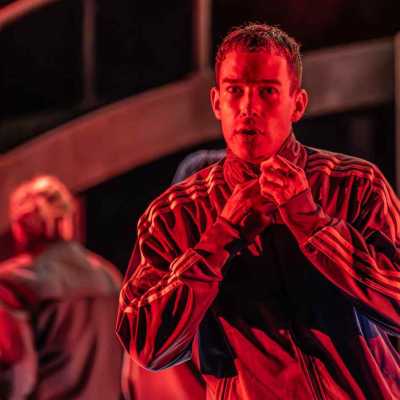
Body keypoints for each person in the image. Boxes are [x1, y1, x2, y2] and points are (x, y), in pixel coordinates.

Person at [116, 23, 400, 399]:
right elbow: (144, 344)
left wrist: (314, 224)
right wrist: (220, 237)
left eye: (267, 91)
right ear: (217, 102)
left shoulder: (355, 184)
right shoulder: (175, 213)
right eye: (235, 91)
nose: (248, 108)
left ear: (297, 103)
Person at [0, 175, 122, 399]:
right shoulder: (110, 277)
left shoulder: (12, 282)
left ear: (20, 225)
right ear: (68, 218)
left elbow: (18, 376)